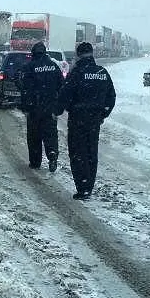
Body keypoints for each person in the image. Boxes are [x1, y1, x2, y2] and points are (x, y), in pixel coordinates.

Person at [56, 40, 116, 199]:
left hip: (78, 119)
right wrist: (103, 113)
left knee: (78, 152)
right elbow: (111, 96)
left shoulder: (76, 73)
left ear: (78, 55)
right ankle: (88, 185)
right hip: (94, 121)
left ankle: (82, 188)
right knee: (91, 152)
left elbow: (65, 94)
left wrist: (58, 110)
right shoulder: (102, 72)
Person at [19, 40, 64, 171]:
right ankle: (52, 154)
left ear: (34, 53)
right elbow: (61, 86)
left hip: (34, 108)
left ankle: (35, 161)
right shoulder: (53, 66)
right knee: (50, 133)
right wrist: (57, 107)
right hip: (49, 108)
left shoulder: (30, 67)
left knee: (34, 136)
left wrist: (26, 107)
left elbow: (25, 89)